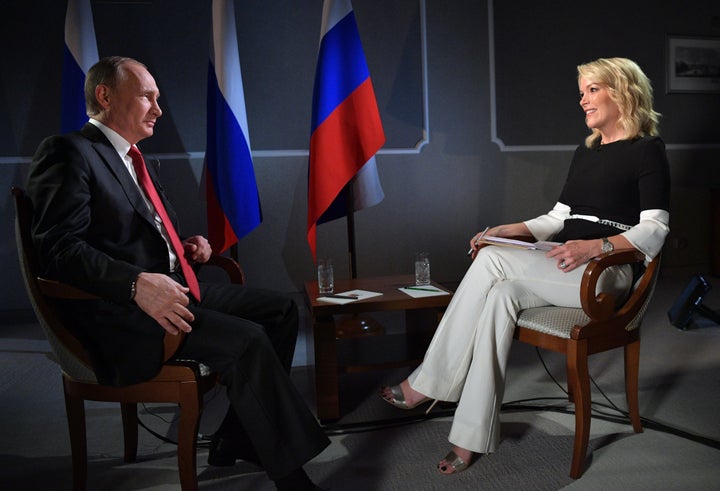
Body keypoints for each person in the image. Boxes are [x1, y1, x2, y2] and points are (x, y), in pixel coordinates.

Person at [27, 56, 329, 490]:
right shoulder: (68, 152)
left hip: (171, 288)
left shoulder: (136, 159)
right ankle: (291, 475)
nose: (158, 108)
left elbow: (136, 236)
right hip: (120, 312)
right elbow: (59, 249)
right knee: (248, 341)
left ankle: (235, 439)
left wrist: (185, 248)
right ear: (105, 96)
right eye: (147, 96)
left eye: (158, 98)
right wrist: (134, 284)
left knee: (280, 311)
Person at [381, 57, 670, 474]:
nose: (582, 99)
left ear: (621, 91)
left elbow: (656, 229)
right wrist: (509, 229)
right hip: (561, 264)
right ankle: (469, 439)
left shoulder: (648, 151)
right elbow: (557, 218)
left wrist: (595, 248)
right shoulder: (586, 151)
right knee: (500, 292)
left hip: (606, 272)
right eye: (582, 91)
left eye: (592, 89)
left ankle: (426, 385)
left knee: (494, 261)